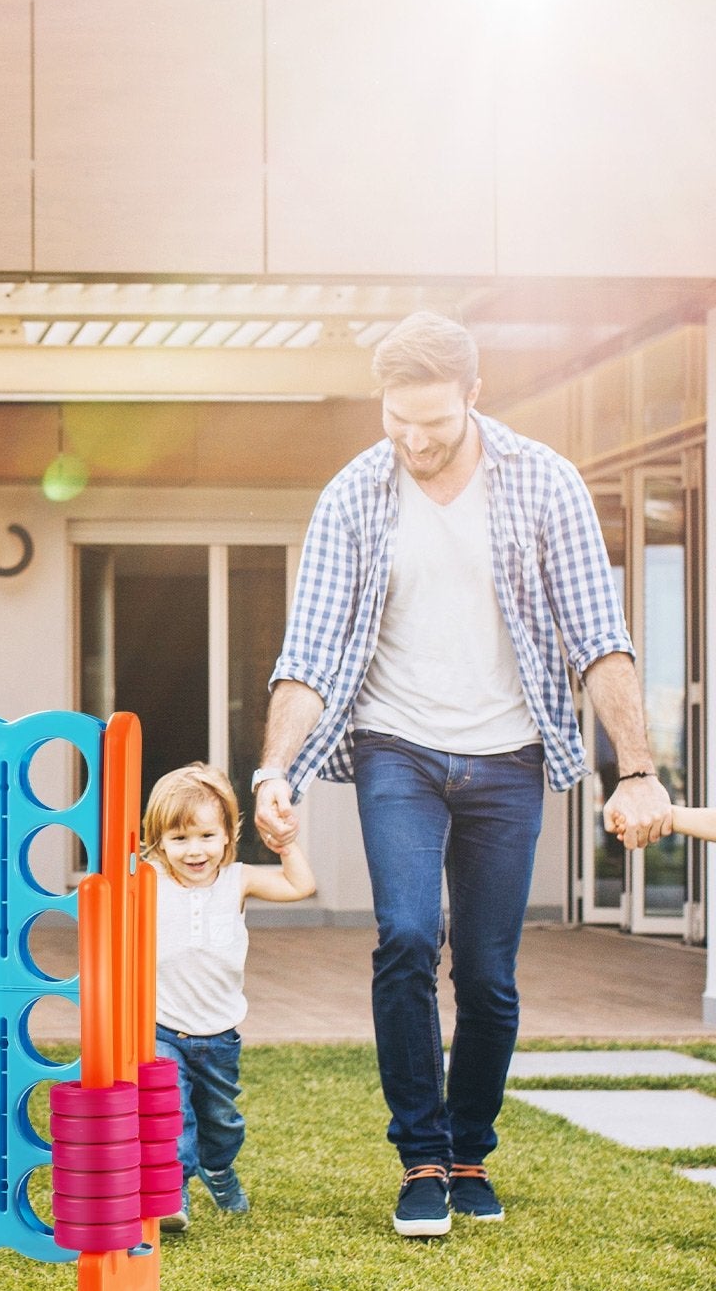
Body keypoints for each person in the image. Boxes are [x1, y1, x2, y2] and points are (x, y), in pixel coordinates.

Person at [253, 311, 670, 1240]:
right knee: (404, 935)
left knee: (486, 974)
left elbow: (598, 639)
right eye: (397, 418)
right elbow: (309, 651)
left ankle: (469, 1148)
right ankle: (420, 1159)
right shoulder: (356, 495)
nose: (414, 438)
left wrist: (635, 770)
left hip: (510, 755)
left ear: (476, 396)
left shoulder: (544, 483)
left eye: (433, 420)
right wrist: (273, 767)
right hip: (395, 745)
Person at [143, 764, 314, 1234]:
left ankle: (218, 1168)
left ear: (228, 833)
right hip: (160, 1027)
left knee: (221, 1122)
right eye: (178, 839)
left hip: (218, 1034)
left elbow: (300, 886)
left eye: (205, 836)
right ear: (158, 841)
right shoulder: (148, 878)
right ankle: (172, 1194)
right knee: (171, 1115)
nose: (194, 850)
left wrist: (285, 845)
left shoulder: (237, 880)